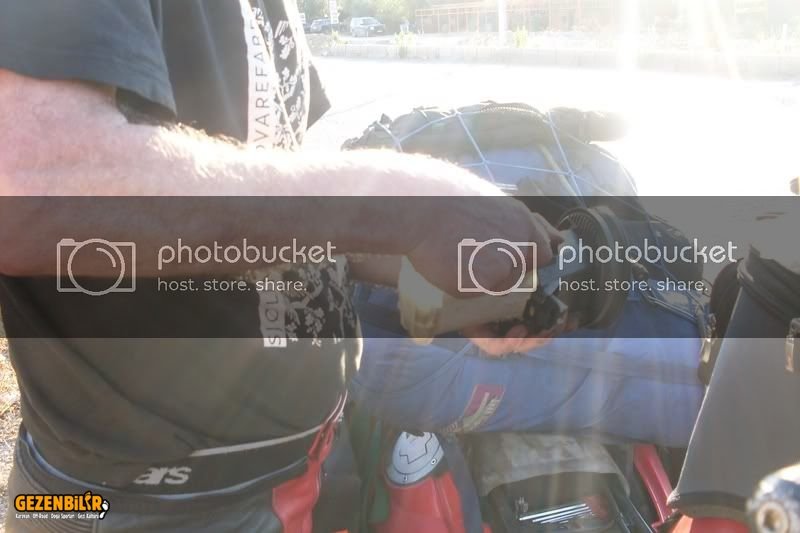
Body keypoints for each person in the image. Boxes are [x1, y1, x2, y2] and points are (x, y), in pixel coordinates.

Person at [0, 1, 559, 531]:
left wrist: (429, 271)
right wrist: (408, 206)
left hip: (287, 476)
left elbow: (281, 212)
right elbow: (27, 192)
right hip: (132, 508)